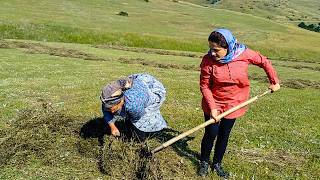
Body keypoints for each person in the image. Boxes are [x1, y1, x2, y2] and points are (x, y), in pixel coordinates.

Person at [198, 28, 280, 178]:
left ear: (228, 47)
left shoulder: (244, 54)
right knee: (211, 133)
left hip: (235, 103)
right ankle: (204, 161)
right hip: (213, 102)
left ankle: (217, 163)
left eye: (216, 50)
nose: (212, 53)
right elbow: (204, 86)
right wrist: (213, 108)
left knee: (224, 135)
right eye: (210, 48)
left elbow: (264, 61)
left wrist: (274, 82)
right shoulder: (208, 60)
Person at [100, 73, 167, 141]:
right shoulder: (108, 98)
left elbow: (138, 117)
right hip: (138, 84)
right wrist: (113, 127)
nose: (112, 112)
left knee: (142, 122)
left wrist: (131, 122)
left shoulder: (133, 105)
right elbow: (106, 111)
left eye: (114, 108)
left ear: (121, 101)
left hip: (150, 87)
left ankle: (153, 131)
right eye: (109, 109)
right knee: (127, 116)